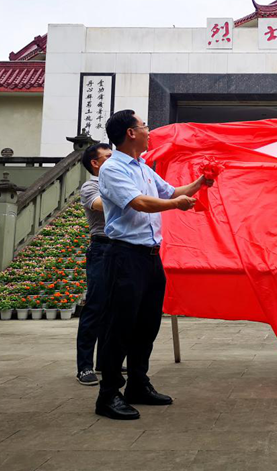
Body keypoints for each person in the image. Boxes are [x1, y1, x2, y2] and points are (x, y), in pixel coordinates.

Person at [95, 109, 212, 420]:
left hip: (149, 257)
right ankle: (108, 394)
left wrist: (201, 181)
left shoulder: (144, 168)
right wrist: (176, 205)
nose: (149, 130)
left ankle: (137, 384)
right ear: (131, 133)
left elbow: (172, 192)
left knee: (147, 325)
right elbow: (139, 203)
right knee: (120, 326)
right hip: (124, 256)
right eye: (144, 125)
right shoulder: (113, 169)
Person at [75, 142, 113, 386]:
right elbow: (101, 206)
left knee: (116, 308)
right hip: (101, 248)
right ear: (95, 163)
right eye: (108, 157)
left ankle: (105, 361)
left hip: (122, 248)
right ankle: (85, 366)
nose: (114, 159)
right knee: (95, 307)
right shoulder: (91, 185)